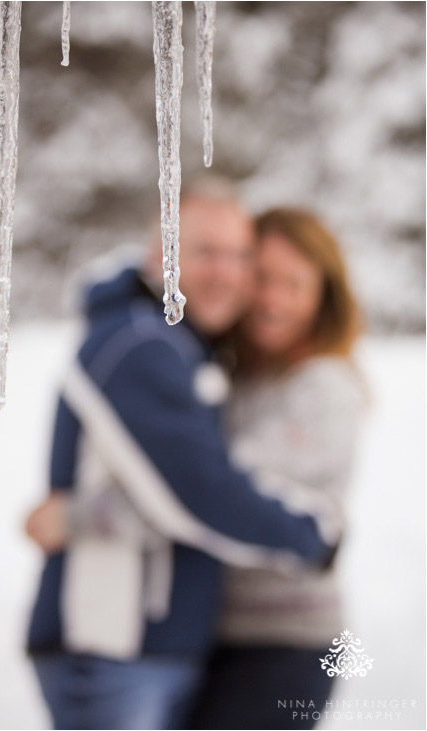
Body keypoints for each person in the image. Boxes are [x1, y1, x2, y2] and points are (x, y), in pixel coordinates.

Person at [22, 183, 342, 730]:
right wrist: (312, 532)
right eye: (205, 252)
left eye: (241, 256)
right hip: (113, 647)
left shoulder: (184, 346)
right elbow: (200, 492)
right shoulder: (141, 345)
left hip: (155, 648)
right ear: (158, 255)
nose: (226, 272)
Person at [186, 208, 364, 729]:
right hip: (222, 633)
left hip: (289, 642)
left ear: (322, 298)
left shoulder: (324, 385)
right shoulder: (239, 375)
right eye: (261, 277)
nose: (272, 299)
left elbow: (218, 487)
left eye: (294, 284)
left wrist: (82, 517)